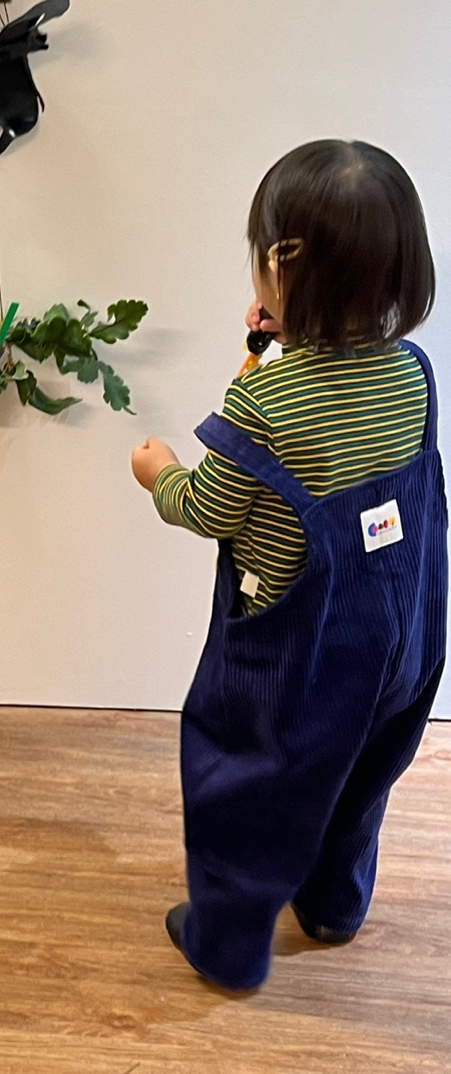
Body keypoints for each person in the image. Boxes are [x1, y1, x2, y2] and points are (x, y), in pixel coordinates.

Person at [131, 140, 447, 990]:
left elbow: (210, 510)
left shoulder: (264, 401)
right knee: (361, 771)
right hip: (402, 638)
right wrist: (290, 334)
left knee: (247, 786)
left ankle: (228, 946)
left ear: (283, 267)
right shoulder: (413, 374)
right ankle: (335, 906)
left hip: (296, 658)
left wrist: (160, 472)